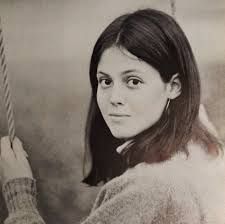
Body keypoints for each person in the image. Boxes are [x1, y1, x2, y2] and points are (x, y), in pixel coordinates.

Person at [0, 8, 225, 224]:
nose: (114, 98)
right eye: (105, 81)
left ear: (174, 87)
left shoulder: (147, 187)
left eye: (133, 81)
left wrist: (19, 195)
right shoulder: (206, 150)